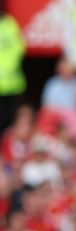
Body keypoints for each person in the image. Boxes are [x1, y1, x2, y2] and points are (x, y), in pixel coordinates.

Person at [0, 1, 26, 134]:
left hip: (12, 84)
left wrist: (8, 67)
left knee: (11, 122)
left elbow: (19, 48)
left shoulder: (9, 23)